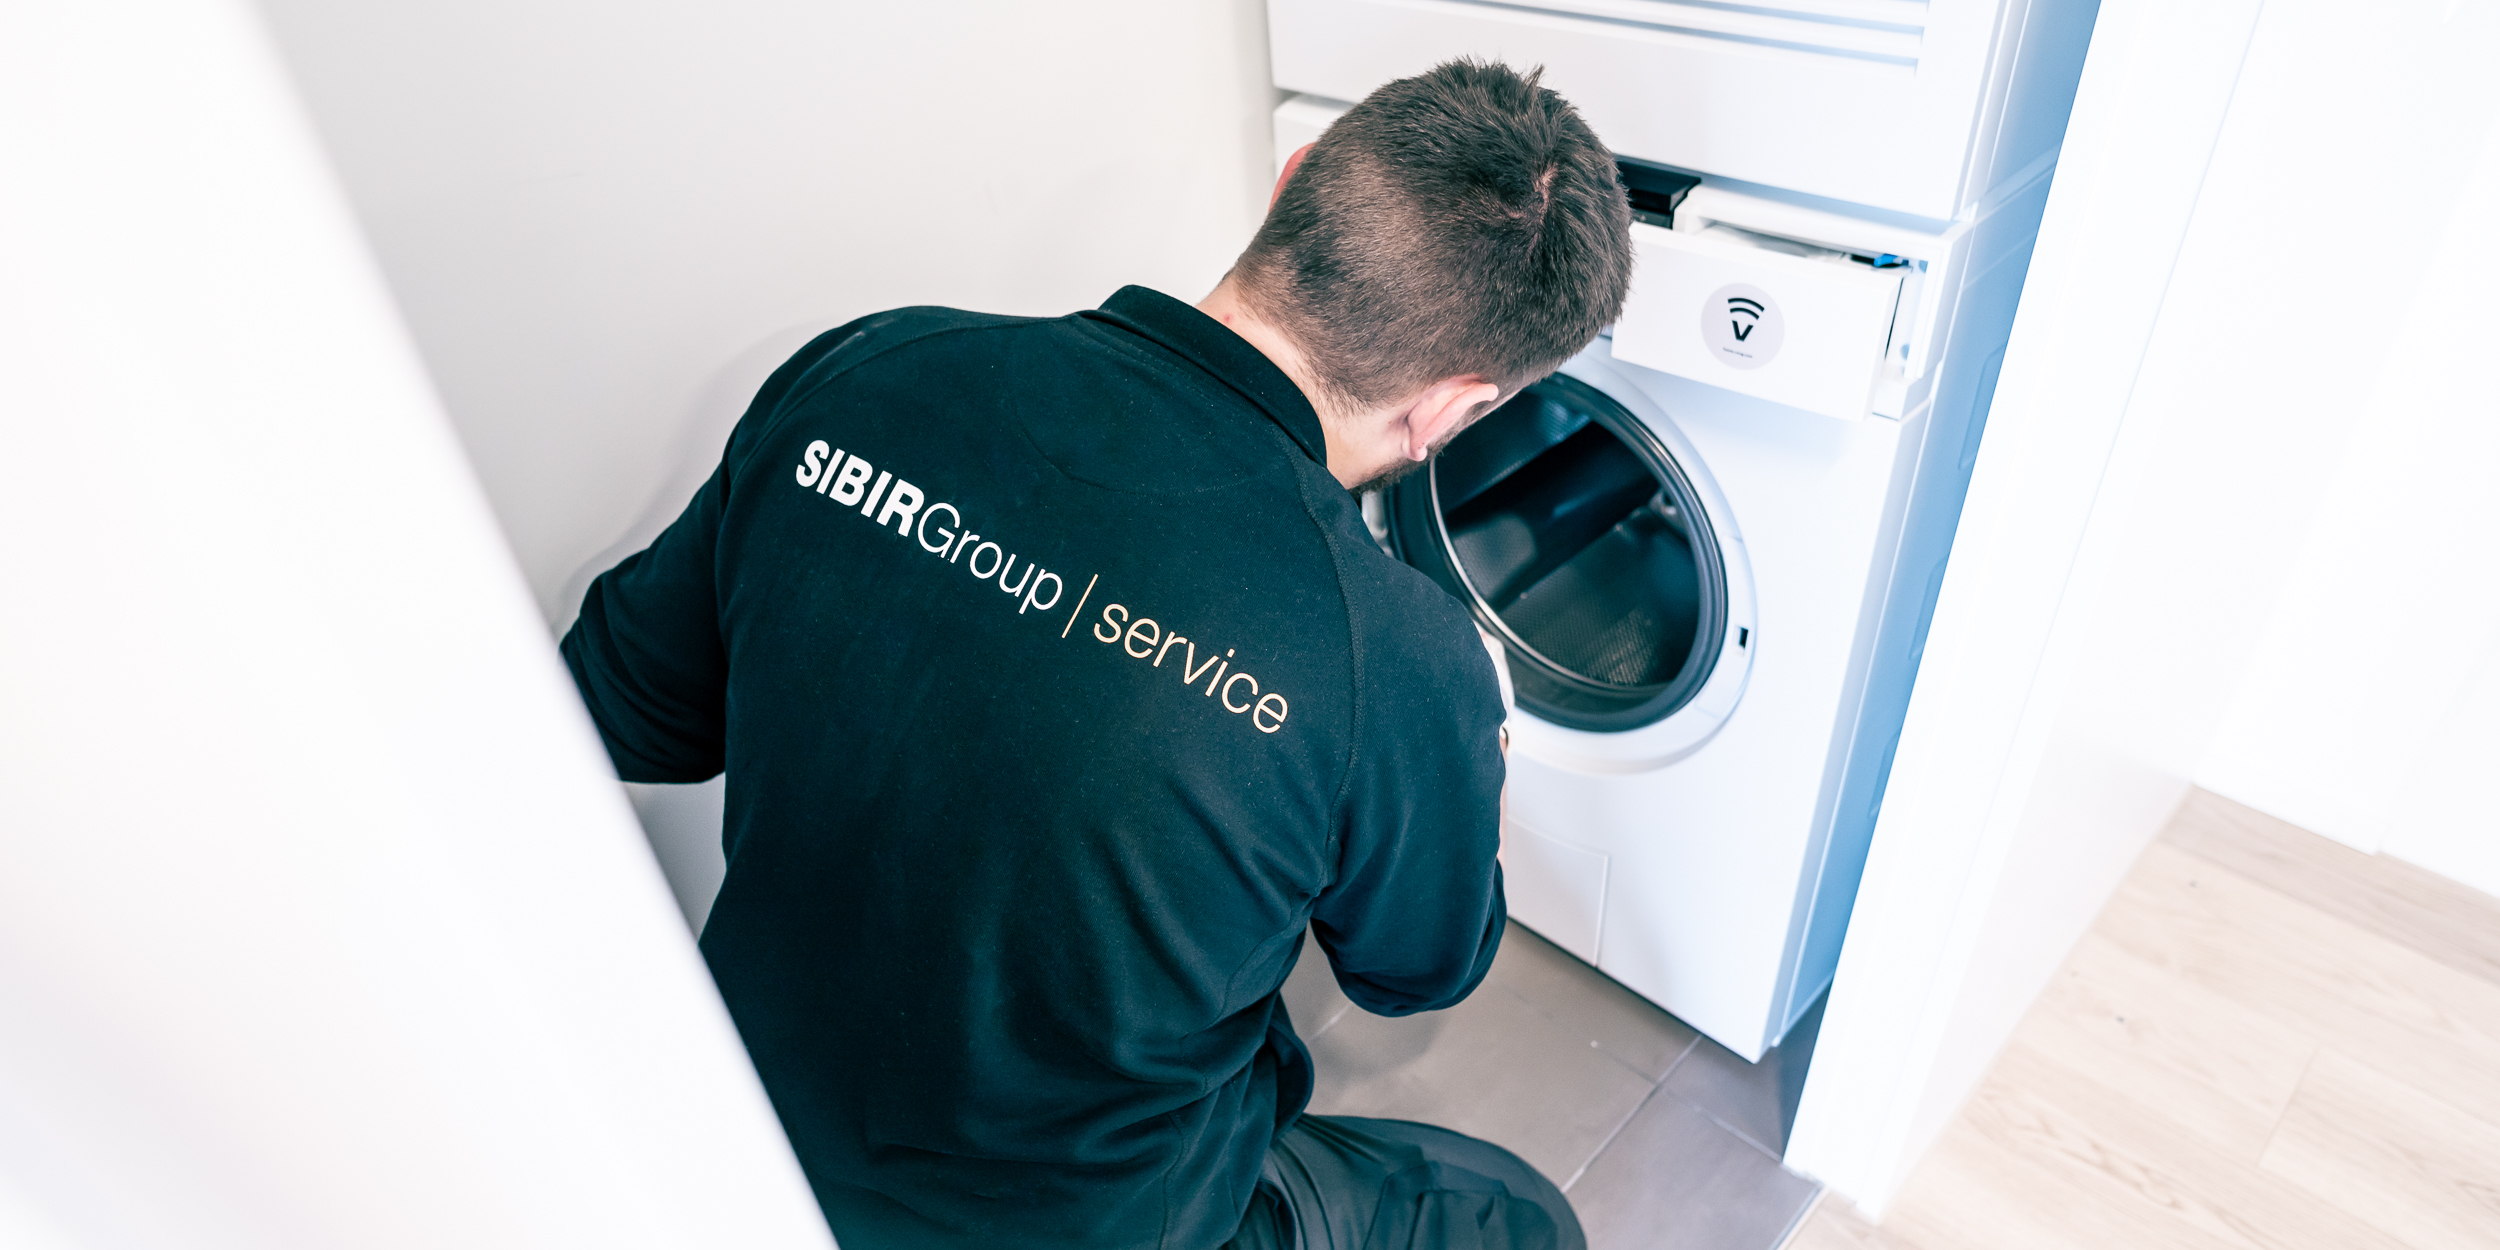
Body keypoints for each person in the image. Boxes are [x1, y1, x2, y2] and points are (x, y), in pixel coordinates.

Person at [561, 58, 1633, 1250]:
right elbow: (1412, 970)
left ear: (1292, 185)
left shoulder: (869, 370)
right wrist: (1452, 746)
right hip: (1092, 1224)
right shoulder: (1396, 653)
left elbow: (618, 706)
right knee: (1517, 1215)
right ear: (1452, 407)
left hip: (746, 1142)